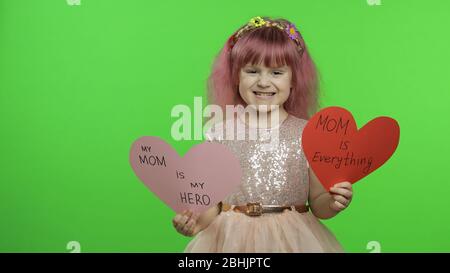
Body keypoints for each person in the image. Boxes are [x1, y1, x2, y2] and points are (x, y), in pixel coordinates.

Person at [172, 16, 353, 252]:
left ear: (294, 80)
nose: (264, 82)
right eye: (252, 71)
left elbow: (318, 203)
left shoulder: (308, 134)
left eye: (276, 72)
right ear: (236, 76)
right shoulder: (221, 133)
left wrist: (333, 201)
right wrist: (194, 222)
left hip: (293, 241)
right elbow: (212, 205)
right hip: (231, 241)